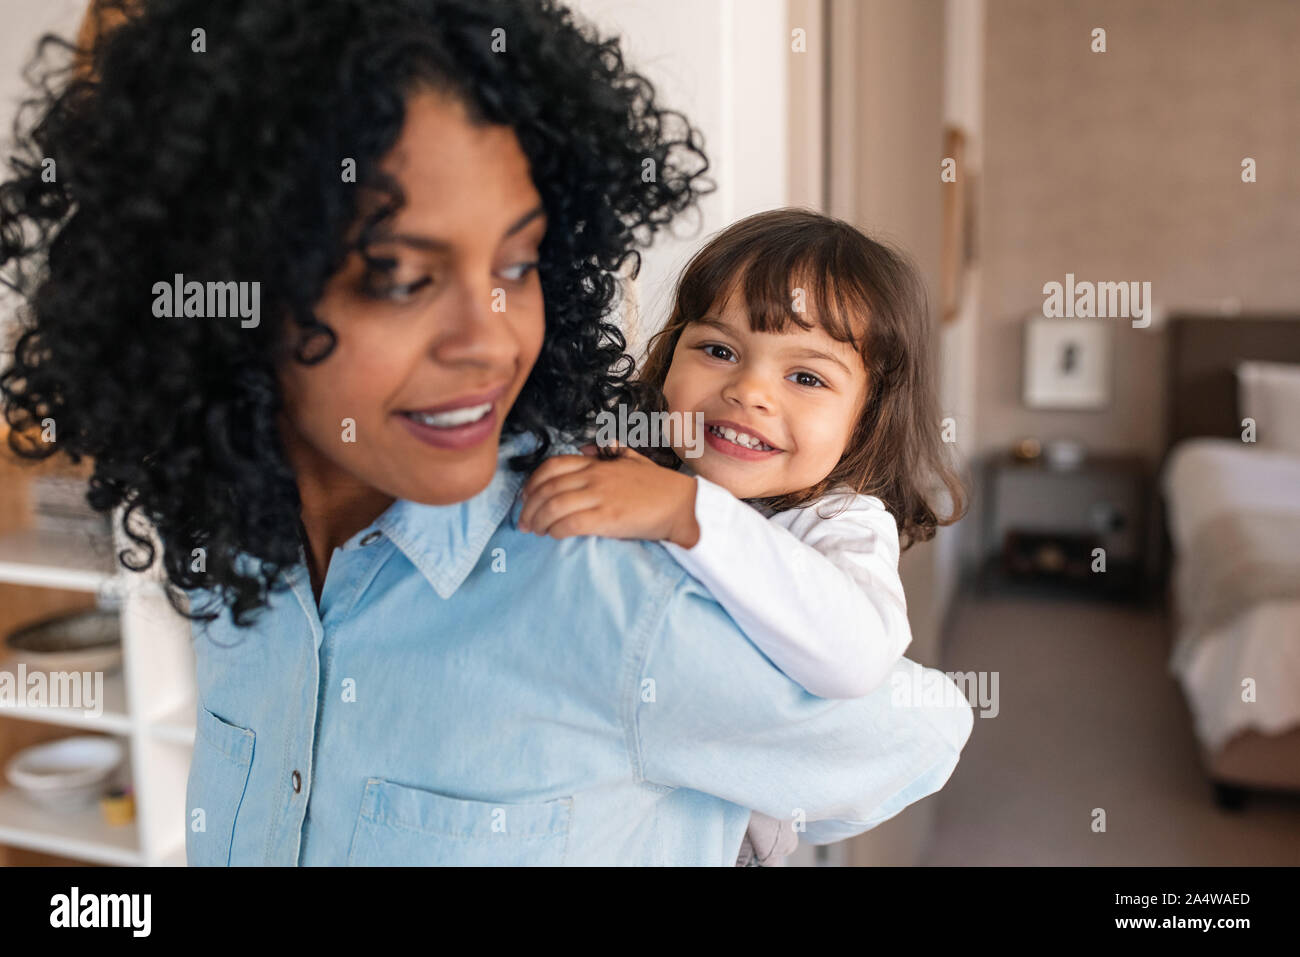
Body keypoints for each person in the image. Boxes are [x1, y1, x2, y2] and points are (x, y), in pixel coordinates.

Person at [0, 0, 973, 865]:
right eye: (400, 277)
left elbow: (915, 726)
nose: (491, 341)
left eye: (519, 262)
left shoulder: (614, 584)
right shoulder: (233, 549)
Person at [519, 209, 966, 864]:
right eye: (719, 350)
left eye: (806, 377)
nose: (748, 389)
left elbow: (857, 657)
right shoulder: (645, 458)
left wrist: (688, 511)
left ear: (865, 421)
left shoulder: (841, 522)